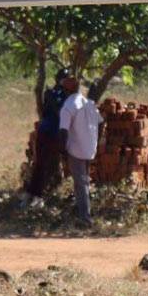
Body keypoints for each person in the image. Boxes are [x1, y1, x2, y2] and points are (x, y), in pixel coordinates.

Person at [59, 76, 103, 227]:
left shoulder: (68, 106)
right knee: (83, 182)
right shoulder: (88, 103)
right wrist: (95, 140)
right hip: (90, 148)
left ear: (66, 90)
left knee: (81, 183)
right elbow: (101, 123)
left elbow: (63, 131)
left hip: (76, 150)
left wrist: (63, 151)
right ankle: (82, 212)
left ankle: (85, 218)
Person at [23, 69, 70, 208]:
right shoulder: (62, 95)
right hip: (53, 133)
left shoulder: (50, 93)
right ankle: (37, 196)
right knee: (45, 165)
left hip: (45, 131)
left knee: (41, 164)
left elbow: (45, 111)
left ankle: (31, 194)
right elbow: (59, 113)